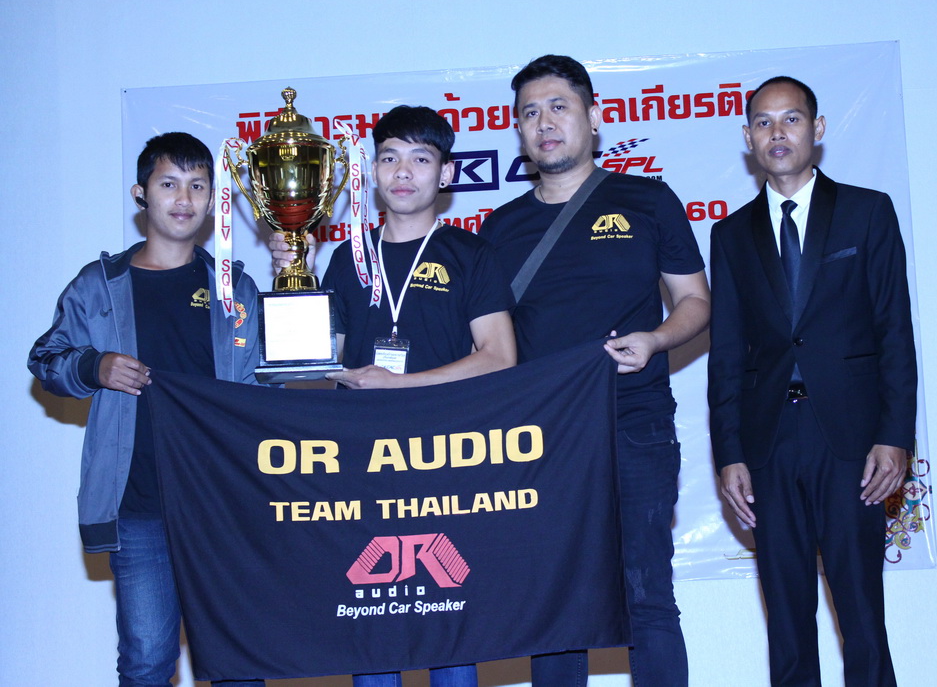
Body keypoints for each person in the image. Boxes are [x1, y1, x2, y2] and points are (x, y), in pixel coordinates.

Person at [477, 54, 711, 687]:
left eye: (559, 107)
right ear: (519, 131)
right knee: (556, 608)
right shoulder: (498, 229)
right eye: (530, 113)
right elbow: (485, 344)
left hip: (634, 423)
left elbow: (695, 300)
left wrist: (655, 339)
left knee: (646, 596)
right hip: (540, 439)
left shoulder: (647, 200)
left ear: (595, 117)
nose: (545, 122)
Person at [273, 105, 516, 686]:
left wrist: (399, 385)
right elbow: (312, 364)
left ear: (446, 174)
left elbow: (499, 357)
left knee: (449, 622)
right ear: (372, 171)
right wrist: (293, 284)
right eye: (389, 157)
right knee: (372, 624)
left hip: (446, 463)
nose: (403, 171)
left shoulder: (470, 254)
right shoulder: (345, 258)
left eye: (420, 158)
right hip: (364, 469)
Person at [28, 133, 265, 686]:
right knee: (146, 661)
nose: (184, 198)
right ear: (141, 194)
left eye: (198, 186)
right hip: (140, 508)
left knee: (241, 662)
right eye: (169, 184)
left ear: (213, 200)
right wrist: (95, 366)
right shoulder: (100, 284)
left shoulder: (235, 289)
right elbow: (45, 359)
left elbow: (262, 390)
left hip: (223, 504)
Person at [707, 76, 916, 687]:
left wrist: (894, 435)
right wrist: (729, 453)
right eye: (764, 122)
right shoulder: (730, 234)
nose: (778, 133)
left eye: (791, 119)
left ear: (817, 128)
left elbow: (894, 330)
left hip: (851, 440)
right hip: (768, 443)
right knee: (787, 617)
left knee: (861, 610)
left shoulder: (867, 212)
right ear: (748, 137)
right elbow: (727, 352)